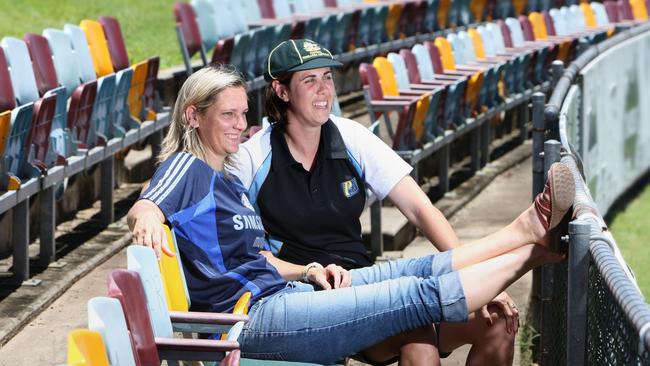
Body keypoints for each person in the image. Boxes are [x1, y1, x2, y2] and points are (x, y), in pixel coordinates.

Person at [128, 64, 575, 365]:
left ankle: (525, 231)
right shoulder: (188, 167)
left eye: (243, 114)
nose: (238, 125)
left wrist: (308, 270)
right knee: (412, 295)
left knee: (415, 269)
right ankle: (534, 251)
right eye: (226, 114)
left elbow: (259, 260)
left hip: (282, 294)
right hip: (249, 320)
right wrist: (147, 216)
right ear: (192, 116)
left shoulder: (226, 181)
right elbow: (149, 201)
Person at [234, 39, 520, 364]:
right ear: (282, 91)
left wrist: (482, 280)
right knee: (419, 336)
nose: (324, 90)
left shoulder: (351, 137)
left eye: (328, 77)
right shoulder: (253, 157)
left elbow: (420, 209)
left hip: (367, 285)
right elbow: (244, 248)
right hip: (305, 296)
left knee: (497, 322)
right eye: (309, 80)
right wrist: (307, 272)